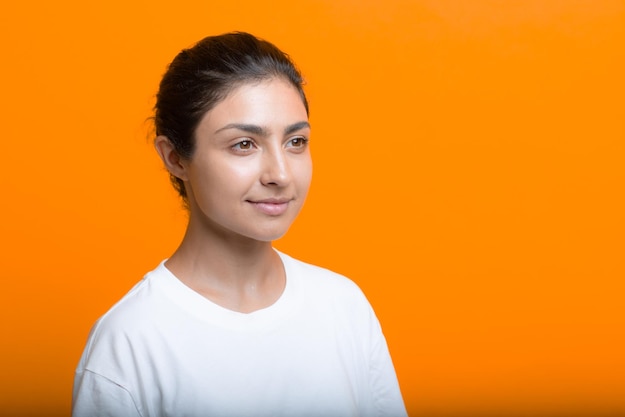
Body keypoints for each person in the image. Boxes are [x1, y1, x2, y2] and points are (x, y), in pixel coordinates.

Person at [72, 32, 407, 417]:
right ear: (175, 158)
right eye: (244, 144)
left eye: (296, 141)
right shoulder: (130, 342)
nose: (281, 174)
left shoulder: (344, 307)